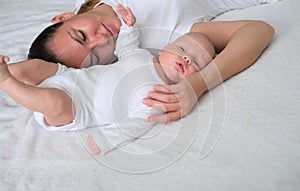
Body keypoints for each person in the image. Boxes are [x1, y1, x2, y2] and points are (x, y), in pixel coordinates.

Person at [10, 0, 275, 123]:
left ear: (63, 17)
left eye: (81, 36)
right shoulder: (166, 42)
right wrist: (198, 84)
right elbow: (258, 31)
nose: (100, 38)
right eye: (96, 54)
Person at [0, 4, 215, 155]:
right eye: (183, 49)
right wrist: (130, 27)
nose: (187, 58)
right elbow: (127, 47)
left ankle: (7, 82)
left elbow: (137, 124)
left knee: (54, 103)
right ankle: (8, 70)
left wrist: (106, 139)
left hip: (78, 107)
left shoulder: (161, 95)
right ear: (166, 48)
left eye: (197, 63)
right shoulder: (142, 56)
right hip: (69, 76)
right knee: (39, 67)